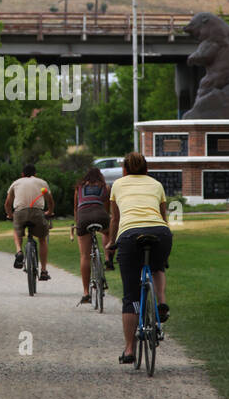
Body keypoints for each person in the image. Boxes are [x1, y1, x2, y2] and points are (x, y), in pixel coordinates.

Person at [108, 150, 172, 365]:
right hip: (160, 233)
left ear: (124, 169)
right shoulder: (156, 184)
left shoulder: (118, 185)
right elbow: (163, 216)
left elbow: (115, 219)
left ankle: (129, 350)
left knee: (131, 296)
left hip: (129, 235)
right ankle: (161, 302)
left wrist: (110, 244)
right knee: (158, 266)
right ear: (146, 168)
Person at [5, 162, 55, 281]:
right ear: (35, 174)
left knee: (17, 231)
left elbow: (7, 204)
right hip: (38, 213)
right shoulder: (42, 182)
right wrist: (49, 212)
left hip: (20, 212)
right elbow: (50, 201)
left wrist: (10, 215)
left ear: (22, 174)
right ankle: (43, 271)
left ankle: (19, 251)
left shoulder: (16, 183)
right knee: (42, 239)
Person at [73, 166, 113, 304]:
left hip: (83, 218)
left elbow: (76, 208)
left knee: (85, 256)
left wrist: (77, 224)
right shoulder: (105, 187)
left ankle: (85, 292)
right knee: (107, 231)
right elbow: (107, 209)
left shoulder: (79, 188)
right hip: (101, 216)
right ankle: (108, 257)